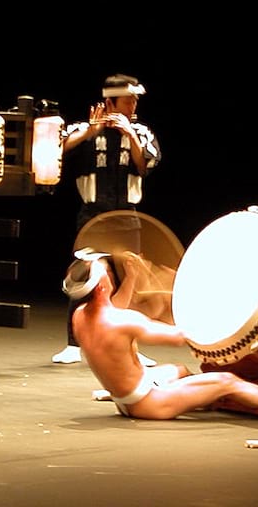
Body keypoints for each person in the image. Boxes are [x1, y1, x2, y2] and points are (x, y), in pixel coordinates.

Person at [64, 250, 258, 419]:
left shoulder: (81, 317)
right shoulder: (124, 322)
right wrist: (210, 304)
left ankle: (214, 396)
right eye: (108, 272)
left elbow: (113, 307)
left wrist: (133, 277)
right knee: (227, 380)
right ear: (102, 285)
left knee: (180, 370)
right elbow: (180, 337)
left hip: (127, 397)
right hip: (148, 403)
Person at [53, 73, 161, 364]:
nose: (134, 104)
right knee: (84, 276)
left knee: (130, 279)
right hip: (92, 214)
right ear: (110, 101)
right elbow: (55, 150)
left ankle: (130, 345)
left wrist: (128, 134)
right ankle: (75, 344)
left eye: (135, 99)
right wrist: (91, 132)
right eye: (128, 99)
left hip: (127, 215)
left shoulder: (142, 131)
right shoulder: (83, 128)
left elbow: (145, 165)